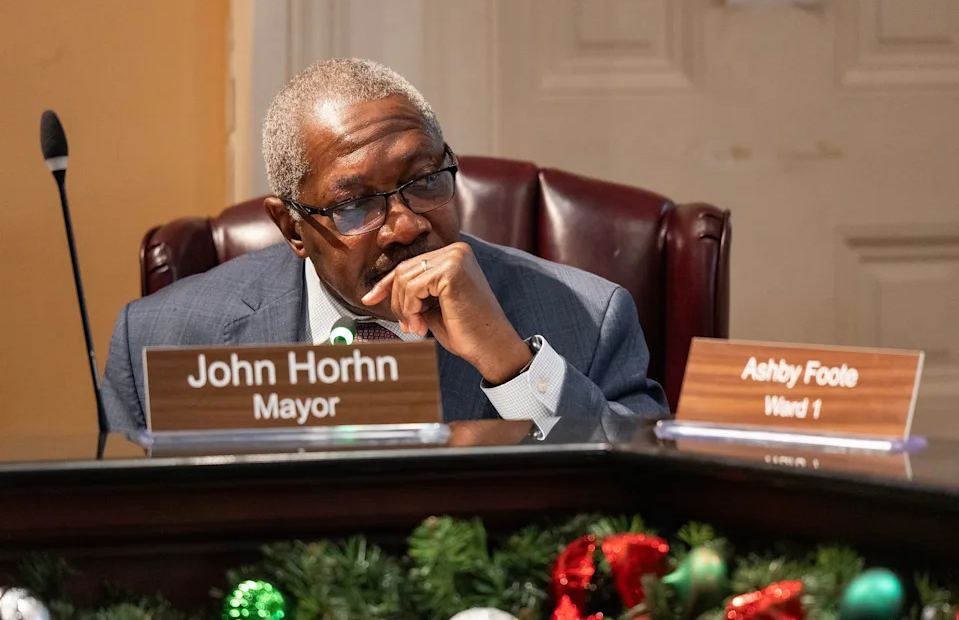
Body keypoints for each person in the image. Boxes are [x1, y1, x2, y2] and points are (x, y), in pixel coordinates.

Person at [101, 58, 668, 432]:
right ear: (293, 228)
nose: (405, 226)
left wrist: (512, 367)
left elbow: (647, 506)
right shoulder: (158, 343)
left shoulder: (589, 318)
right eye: (355, 205)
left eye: (425, 182)